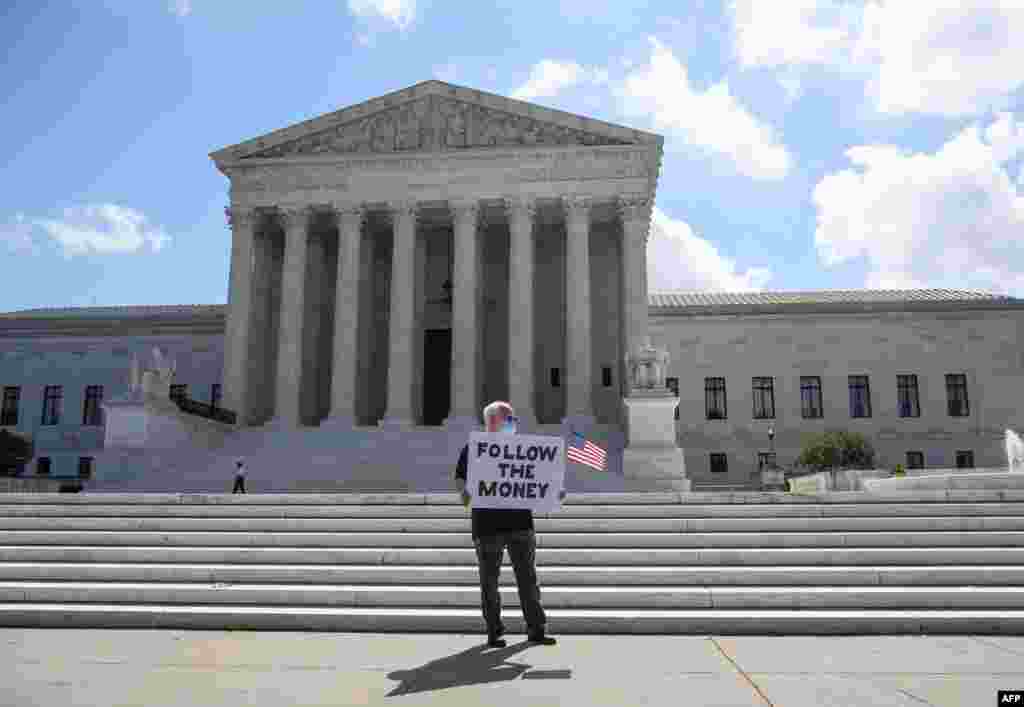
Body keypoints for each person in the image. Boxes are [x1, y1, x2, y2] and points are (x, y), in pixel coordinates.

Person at [454, 401, 564, 648]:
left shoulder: (523, 449)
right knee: (489, 582)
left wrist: (553, 492)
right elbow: (460, 479)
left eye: (513, 418)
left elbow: (541, 479)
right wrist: (467, 499)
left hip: (520, 523)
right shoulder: (474, 449)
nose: (514, 422)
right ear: (493, 421)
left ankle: (536, 629)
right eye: (509, 418)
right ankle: (494, 631)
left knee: (528, 579)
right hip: (487, 524)